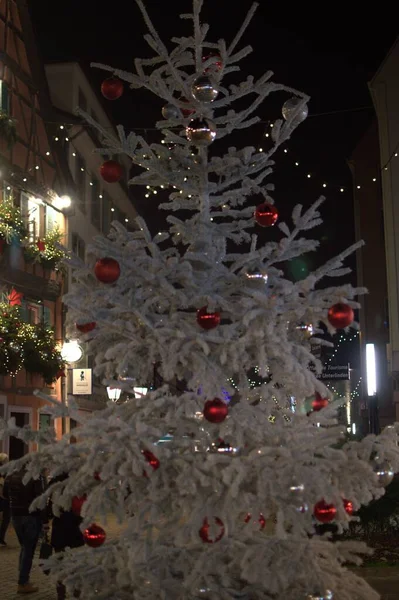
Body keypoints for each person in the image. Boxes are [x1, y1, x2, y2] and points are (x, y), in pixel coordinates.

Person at [3, 466, 47, 594]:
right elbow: (41, 499)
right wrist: (44, 520)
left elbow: (5, 494)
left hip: (15, 514)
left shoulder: (10, 476)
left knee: (24, 547)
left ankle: (22, 577)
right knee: (28, 549)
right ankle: (22, 582)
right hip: (31, 515)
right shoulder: (35, 476)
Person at [50, 472, 84, 600]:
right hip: (75, 527)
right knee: (75, 562)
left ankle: (61, 595)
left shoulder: (54, 483)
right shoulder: (78, 483)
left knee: (59, 563)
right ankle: (76, 592)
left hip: (59, 527)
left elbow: (49, 507)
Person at [0, 453, 11, 546]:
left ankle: (1, 537)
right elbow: (2, 484)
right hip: (4, 497)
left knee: (5, 519)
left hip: (4, 497)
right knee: (6, 519)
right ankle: (1, 538)